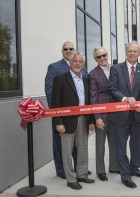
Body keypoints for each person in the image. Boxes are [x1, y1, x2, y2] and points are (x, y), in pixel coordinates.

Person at [107, 41, 140, 189]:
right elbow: (112, 88)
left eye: (135, 51)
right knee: (121, 147)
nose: (132, 54)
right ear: (126, 52)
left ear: (139, 53)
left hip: (138, 115)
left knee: (136, 145)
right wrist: (125, 99)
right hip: (120, 115)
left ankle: (134, 169)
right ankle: (125, 176)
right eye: (129, 51)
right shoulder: (116, 69)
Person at [44, 41, 89, 179]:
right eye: (66, 49)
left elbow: (86, 97)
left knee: (80, 148)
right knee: (61, 146)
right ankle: (62, 170)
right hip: (64, 117)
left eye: (71, 48)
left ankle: (80, 171)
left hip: (81, 117)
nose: (68, 50)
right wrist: (57, 117)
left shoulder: (83, 72)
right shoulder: (55, 68)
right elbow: (51, 94)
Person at [51, 51, 95, 190]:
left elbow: (89, 102)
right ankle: (70, 179)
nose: (77, 64)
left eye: (80, 62)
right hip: (66, 121)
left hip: (83, 119)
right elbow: (55, 102)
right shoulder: (60, 79)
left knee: (82, 149)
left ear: (83, 64)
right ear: (70, 63)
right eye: (75, 61)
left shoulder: (86, 80)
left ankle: (81, 174)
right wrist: (58, 122)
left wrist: (91, 120)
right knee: (66, 151)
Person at [88, 47, 118, 181]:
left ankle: (114, 167)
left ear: (107, 55)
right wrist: (97, 117)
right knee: (100, 145)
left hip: (115, 113)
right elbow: (92, 97)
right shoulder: (93, 74)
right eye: (99, 57)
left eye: (104, 55)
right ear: (95, 59)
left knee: (114, 143)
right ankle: (100, 171)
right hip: (102, 114)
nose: (102, 58)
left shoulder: (115, 70)